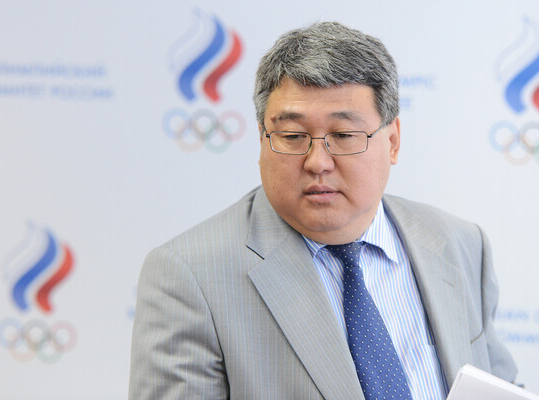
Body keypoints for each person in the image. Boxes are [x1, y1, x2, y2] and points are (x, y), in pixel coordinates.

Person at [129, 21, 517, 400]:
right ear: (262, 140)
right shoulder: (190, 276)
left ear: (393, 142)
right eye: (292, 136)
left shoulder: (460, 244)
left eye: (344, 135)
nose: (317, 162)